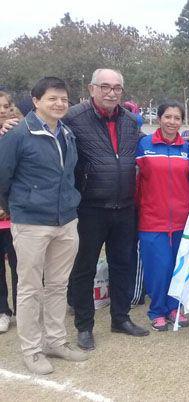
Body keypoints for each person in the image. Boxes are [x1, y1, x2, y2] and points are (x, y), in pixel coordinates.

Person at [0, 77, 88, 374]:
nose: (60, 103)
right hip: (31, 223)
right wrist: (16, 205)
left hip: (66, 220)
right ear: (36, 101)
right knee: (29, 288)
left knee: (58, 285)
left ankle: (55, 341)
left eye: (64, 99)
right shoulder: (18, 134)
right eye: (52, 98)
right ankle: (32, 350)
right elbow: (3, 177)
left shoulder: (67, 133)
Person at [65, 68, 148, 351]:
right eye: (105, 87)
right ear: (91, 88)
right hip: (89, 207)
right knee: (83, 268)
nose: (111, 92)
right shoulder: (73, 118)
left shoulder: (131, 121)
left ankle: (120, 317)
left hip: (124, 206)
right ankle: (84, 326)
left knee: (123, 264)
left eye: (117, 88)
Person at [135, 101, 189, 331]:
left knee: (180, 266)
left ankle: (174, 307)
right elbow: (136, 181)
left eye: (177, 118)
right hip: (152, 218)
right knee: (158, 267)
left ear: (181, 121)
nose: (172, 122)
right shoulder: (144, 145)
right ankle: (157, 310)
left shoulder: (188, 148)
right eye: (167, 117)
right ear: (159, 119)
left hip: (183, 218)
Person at [0, 91, 18, 333]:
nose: (3, 110)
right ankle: (2, 311)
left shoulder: (16, 133)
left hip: (15, 214)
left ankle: (23, 310)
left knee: (20, 267)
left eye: (6, 105)